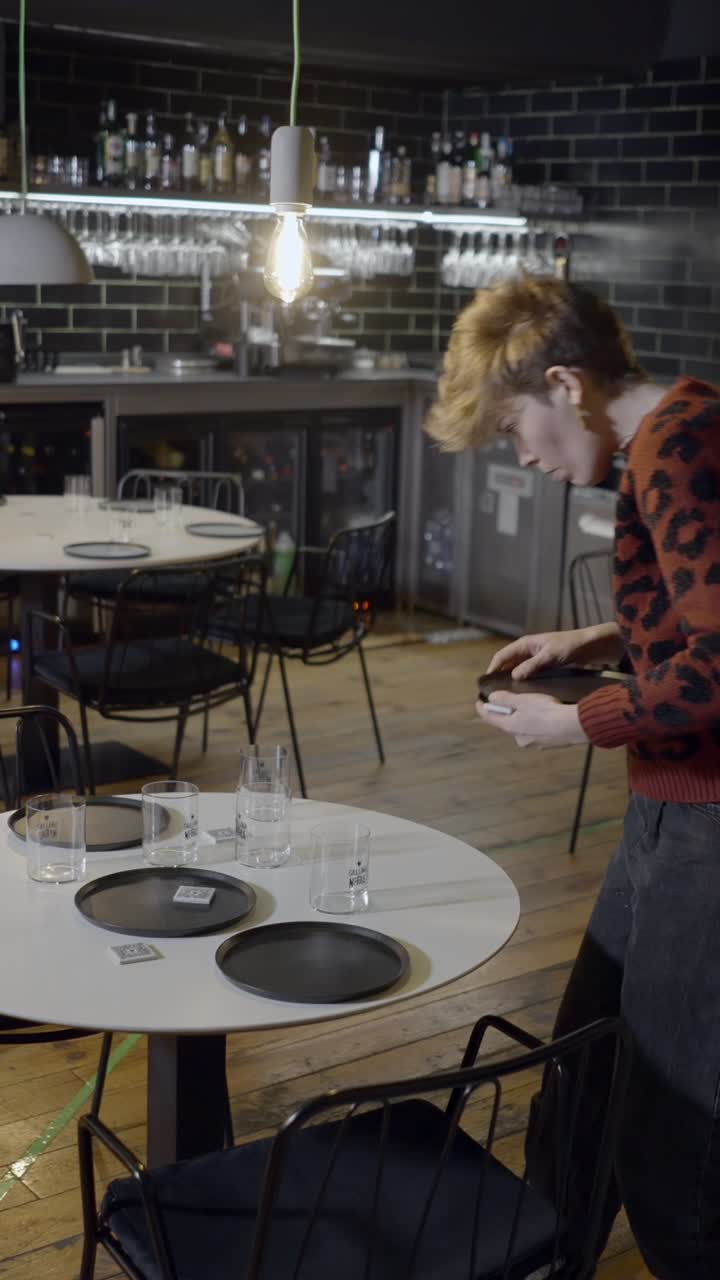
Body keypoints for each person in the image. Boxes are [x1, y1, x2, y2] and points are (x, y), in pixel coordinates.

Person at [426, 276, 720, 1280]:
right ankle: (547, 1261)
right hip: (668, 811)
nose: (525, 458)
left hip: (708, 829)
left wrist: (577, 720)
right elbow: (698, 614)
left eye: (516, 427)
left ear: (566, 383)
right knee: (584, 1070)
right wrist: (598, 638)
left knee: (674, 1140)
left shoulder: (676, 448)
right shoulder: (678, 427)